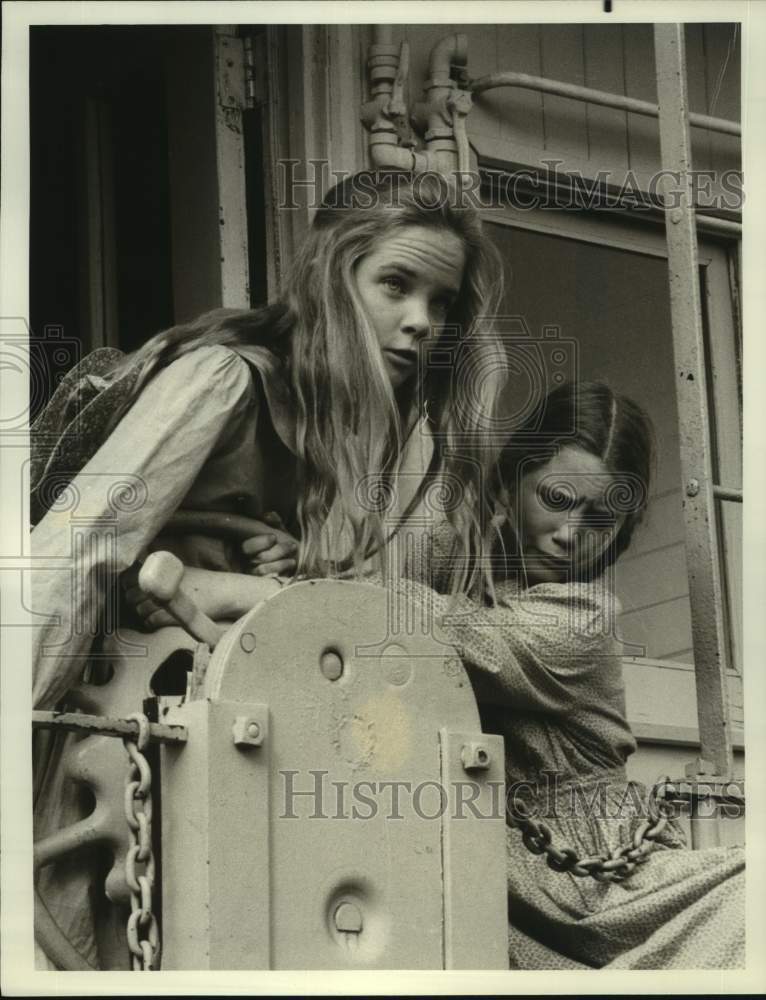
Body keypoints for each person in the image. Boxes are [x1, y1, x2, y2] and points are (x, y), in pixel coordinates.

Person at [30, 169, 506, 968]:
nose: (422, 320)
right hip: (111, 722)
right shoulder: (224, 379)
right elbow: (82, 550)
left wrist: (291, 572)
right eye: (396, 284)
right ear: (332, 275)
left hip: (239, 738)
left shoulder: (350, 426)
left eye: (443, 301)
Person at [375, 379, 745, 969]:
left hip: (611, 887)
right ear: (512, 483)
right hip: (483, 866)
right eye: (555, 498)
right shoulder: (452, 560)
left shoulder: (585, 620)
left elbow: (434, 629)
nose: (571, 533)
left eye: (599, 517)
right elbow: (363, 591)